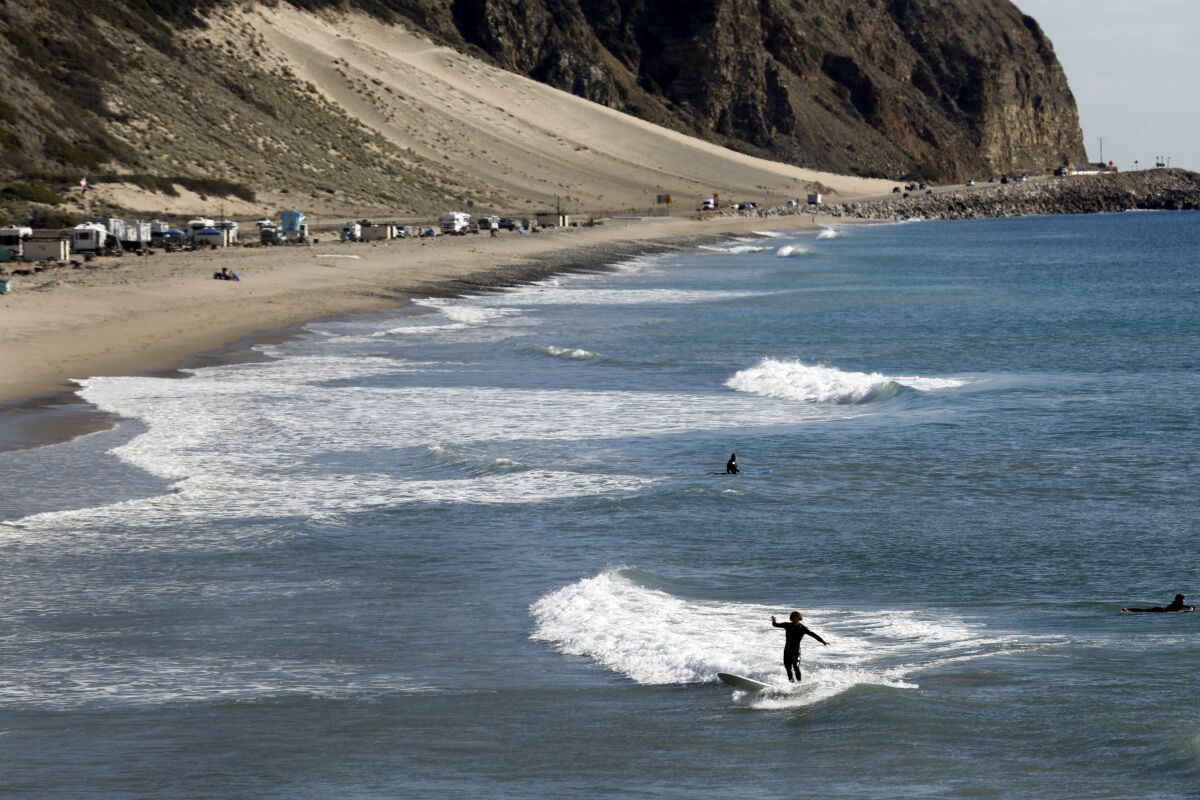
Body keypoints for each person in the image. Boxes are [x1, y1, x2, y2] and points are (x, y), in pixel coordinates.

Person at [771, 611, 827, 683]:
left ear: (799, 618)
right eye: (792, 618)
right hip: (787, 650)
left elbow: (813, 635)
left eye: (795, 618)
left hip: (796, 650)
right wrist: (774, 621)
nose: (794, 620)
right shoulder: (787, 625)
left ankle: (799, 683)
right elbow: (775, 625)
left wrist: (823, 641)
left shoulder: (803, 628)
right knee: (788, 668)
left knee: (796, 667)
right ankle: (792, 683)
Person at [1122, 593, 1194, 613]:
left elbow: (1191, 607)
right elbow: (1190, 607)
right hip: (1161, 610)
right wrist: (1190, 609)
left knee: (1144, 610)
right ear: (1179, 600)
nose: (1183, 601)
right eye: (1183, 599)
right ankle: (1127, 609)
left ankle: (1127, 609)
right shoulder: (1178, 605)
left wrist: (1191, 608)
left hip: (1160, 609)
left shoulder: (1176, 604)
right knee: (1143, 610)